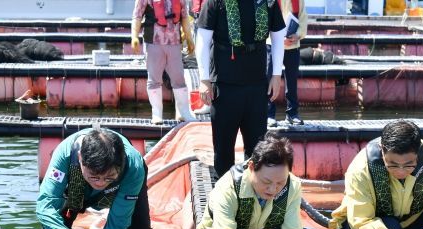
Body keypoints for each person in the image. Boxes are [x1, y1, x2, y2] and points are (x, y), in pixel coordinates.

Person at [195, 0, 287, 176]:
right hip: (224, 85)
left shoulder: (268, 2)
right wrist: (204, 80)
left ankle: (251, 196)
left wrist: (276, 75)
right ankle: (224, 193)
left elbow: (277, 38)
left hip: (257, 86)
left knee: (257, 149)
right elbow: (203, 40)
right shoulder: (216, 2)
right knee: (223, 149)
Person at [131, 0, 196, 124]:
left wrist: (189, 37)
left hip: (175, 42)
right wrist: (134, 36)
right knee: (154, 79)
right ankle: (156, 114)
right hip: (153, 42)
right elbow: (137, 15)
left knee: (179, 78)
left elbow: (185, 17)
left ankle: (184, 113)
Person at [266, 0, 307, 127]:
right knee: (269, 80)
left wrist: (297, 35)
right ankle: (269, 114)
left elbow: (303, 19)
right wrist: (277, 37)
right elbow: (265, 19)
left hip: (292, 45)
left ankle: (292, 113)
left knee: (292, 80)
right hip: (271, 43)